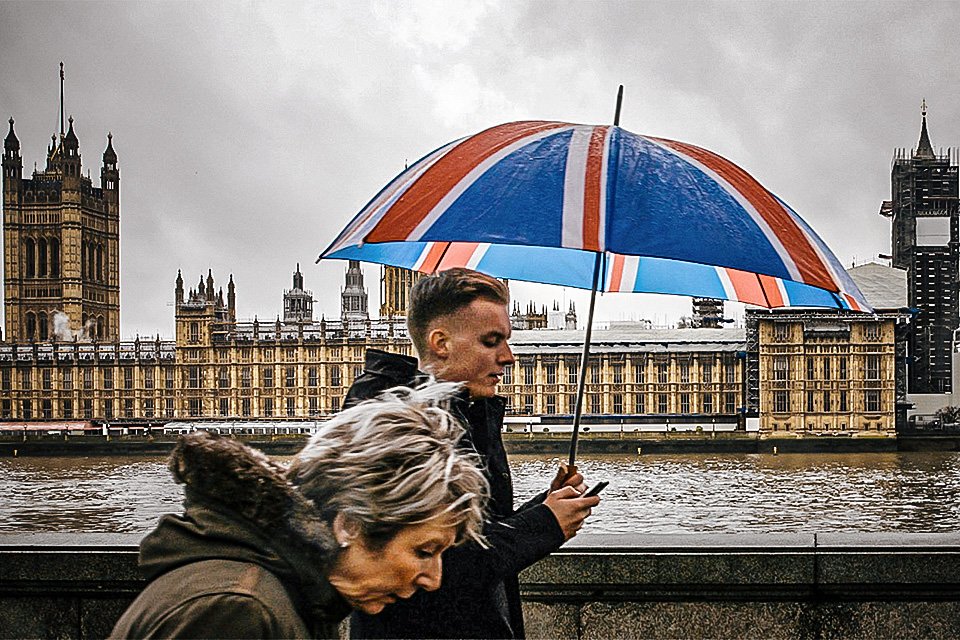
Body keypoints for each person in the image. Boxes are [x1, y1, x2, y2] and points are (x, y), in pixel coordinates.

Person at [110, 383, 488, 639]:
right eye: (424, 551)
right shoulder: (238, 610)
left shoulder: (285, 593)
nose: (433, 579)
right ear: (350, 524)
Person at [347, 267, 599, 639]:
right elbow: (436, 569)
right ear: (440, 343)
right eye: (491, 341)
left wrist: (546, 505)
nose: (509, 357)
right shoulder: (395, 429)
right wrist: (544, 524)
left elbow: (474, 532)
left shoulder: (465, 413)